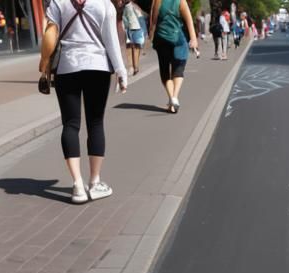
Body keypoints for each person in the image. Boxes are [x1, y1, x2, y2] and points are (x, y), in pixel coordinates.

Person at [39, 0, 128, 204]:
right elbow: (111, 40)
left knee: (70, 124)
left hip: (67, 67)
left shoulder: (57, 2)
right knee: (95, 123)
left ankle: (78, 185)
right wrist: (121, 71)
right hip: (98, 67)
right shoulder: (104, 4)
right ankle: (95, 183)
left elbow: (50, 34)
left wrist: (44, 64)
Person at [149, 0, 199, 112]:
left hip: (161, 40)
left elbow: (153, 22)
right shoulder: (180, 1)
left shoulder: (157, 1)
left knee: (165, 73)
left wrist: (151, 36)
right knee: (178, 69)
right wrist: (194, 39)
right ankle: (175, 97)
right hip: (178, 40)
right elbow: (189, 20)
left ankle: (172, 100)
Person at [122, 0, 144, 72]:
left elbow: (140, 17)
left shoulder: (133, 6)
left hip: (133, 28)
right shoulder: (124, 7)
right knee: (131, 47)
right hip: (131, 28)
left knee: (133, 47)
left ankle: (134, 66)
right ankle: (133, 67)